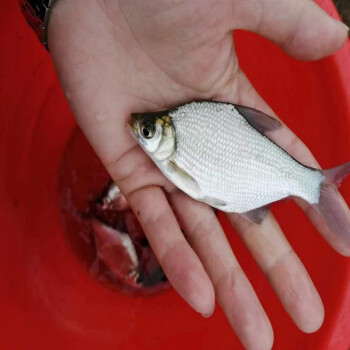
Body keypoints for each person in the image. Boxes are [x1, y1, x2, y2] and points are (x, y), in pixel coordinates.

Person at [23, 0, 350, 349]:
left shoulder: (177, 145)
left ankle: (315, 184)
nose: (140, 133)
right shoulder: (174, 139)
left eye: (148, 131)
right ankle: (315, 184)